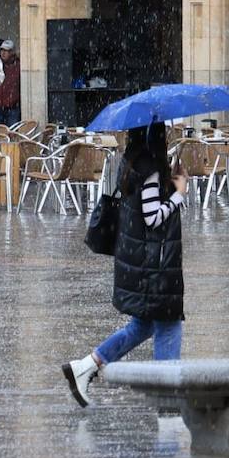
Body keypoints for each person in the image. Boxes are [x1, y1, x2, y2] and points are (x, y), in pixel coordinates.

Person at [62, 122, 189, 407]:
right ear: (157, 137)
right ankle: (168, 401)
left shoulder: (130, 163)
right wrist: (179, 193)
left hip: (138, 263)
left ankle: (86, 366)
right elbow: (152, 217)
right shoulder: (150, 169)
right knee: (168, 326)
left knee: (142, 325)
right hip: (153, 268)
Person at [0, 40, 21, 127]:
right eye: (2, 50)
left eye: (6, 51)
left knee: (12, 132)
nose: (3, 53)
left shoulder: (19, 66)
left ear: (12, 52)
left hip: (12, 107)